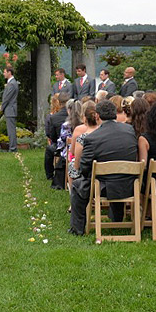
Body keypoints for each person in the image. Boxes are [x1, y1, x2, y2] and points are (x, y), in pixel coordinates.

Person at [77, 100, 139, 226]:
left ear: (97, 116)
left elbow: (84, 167)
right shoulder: (130, 130)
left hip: (104, 188)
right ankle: (117, 219)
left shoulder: (92, 138)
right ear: (115, 114)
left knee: (78, 185)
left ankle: (77, 227)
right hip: (130, 185)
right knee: (115, 178)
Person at [67, 100, 100, 234]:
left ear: (85, 118)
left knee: (73, 169)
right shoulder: (105, 133)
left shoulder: (82, 136)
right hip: (117, 180)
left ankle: (77, 221)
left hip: (91, 178)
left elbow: (77, 163)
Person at [43, 94, 67, 185]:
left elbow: (50, 135)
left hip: (59, 145)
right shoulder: (73, 115)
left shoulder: (53, 117)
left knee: (49, 149)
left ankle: (49, 174)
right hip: (72, 144)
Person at [0, 65, 19, 152]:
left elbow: (7, 97)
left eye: (4, 72)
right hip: (10, 109)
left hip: (10, 109)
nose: (3, 74)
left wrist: (2, 106)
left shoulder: (12, 83)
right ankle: (12, 147)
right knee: (11, 129)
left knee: (11, 130)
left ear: (9, 73)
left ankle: (12, 148)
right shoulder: (11, 83)